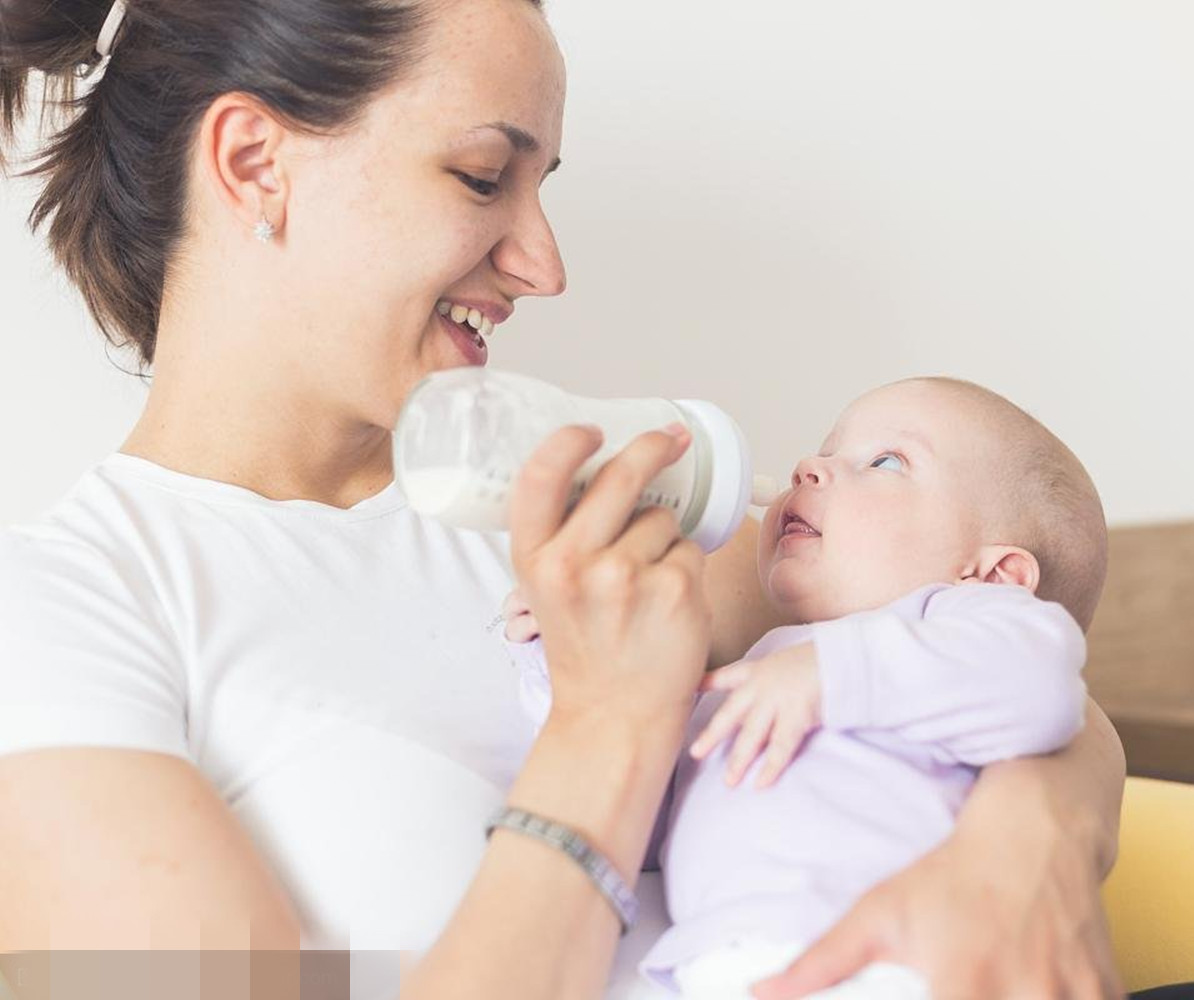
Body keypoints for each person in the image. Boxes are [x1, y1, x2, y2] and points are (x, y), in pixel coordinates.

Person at [0, 2, 1128, 998]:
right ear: (255, 163)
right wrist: (607, 729)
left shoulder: (573, 510)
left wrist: (1025, 845)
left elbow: (1001, 653)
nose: (545, 267)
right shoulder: (66, 616)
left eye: (542, 188)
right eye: (483, 175)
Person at [500, 376, 1109, 998]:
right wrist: (567, 657)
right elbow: (635, 817)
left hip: (894, 963)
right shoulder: (760, 666)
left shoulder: (957, 628)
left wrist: (832, 671)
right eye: (824, 450)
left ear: (993, 576)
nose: (807, 468)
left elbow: (1041, 685)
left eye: (885, 461)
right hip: (719, 967)